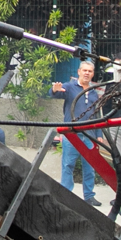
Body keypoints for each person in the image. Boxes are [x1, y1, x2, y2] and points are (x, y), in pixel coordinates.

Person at [50, 60, 104, 206]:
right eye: (84, 70)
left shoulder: (94, 92)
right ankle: (66, 195)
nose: (87, 73)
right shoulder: (69, 87)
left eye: (90, 71)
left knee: (90, 167)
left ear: (92, 74)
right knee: (68, 165)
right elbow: (56, 95)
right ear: (79, 71)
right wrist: (55, 90)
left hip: (89, 135)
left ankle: (89, 196)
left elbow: (97, 115)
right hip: (71, 135)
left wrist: (99, 134)